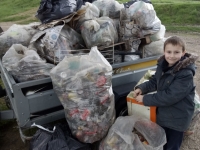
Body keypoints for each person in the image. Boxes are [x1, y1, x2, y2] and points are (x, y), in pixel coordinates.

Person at [133, 36, 198, 150]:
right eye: (169, 52)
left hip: (178, 118)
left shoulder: (185, 74)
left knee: (172, 145)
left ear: (183, 53)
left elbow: (170, 96)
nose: (172, 56)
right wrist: (142, 88)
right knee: (162, 141)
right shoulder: (163, 65)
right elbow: (155, 81)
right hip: (164, 114)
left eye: (176, 52)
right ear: (164, 52)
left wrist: (145, 99)